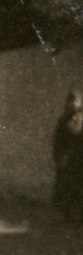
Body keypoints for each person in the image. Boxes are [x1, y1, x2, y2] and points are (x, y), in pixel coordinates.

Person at [52, 90, 83, 223]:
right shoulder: (63, 120)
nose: (73, 105)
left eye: (76, 101)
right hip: (67, 160)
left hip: (80, 159)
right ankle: (66, 215)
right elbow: (58, 140)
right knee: (65, 189)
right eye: (71, 102)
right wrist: (59, 157)